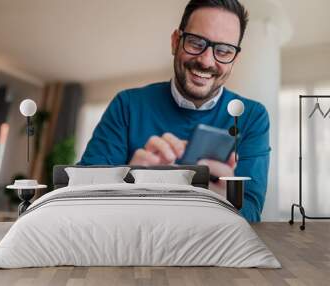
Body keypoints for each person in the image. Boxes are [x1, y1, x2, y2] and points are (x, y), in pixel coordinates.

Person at [79, 0, 270, 223]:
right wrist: (129, 184)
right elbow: (81, 194)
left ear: (234, 60)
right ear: (175, 42)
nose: (206, 61)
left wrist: (223, 205)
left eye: (224, 51)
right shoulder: (127, 105)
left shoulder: (252, 117)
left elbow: (252, 212)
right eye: (196, 43)